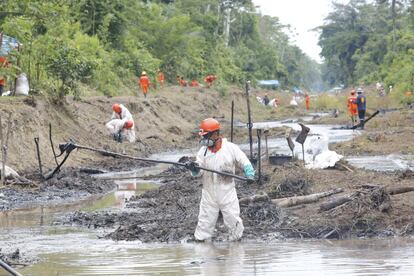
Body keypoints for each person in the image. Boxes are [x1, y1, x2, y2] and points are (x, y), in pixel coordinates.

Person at [185, 118, 255, 242]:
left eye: (207, 136)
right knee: (204, 225)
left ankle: (236, 249)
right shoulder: (203, 152)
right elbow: (199, 171)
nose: (204, 140)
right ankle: (204, 252)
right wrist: (194, 168)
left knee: (233, 221)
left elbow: (244, 161)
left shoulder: (231, 148)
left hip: (227, 193)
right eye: (203, 136)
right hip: (209, 194)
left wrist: (249, 174)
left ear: (216, 134)